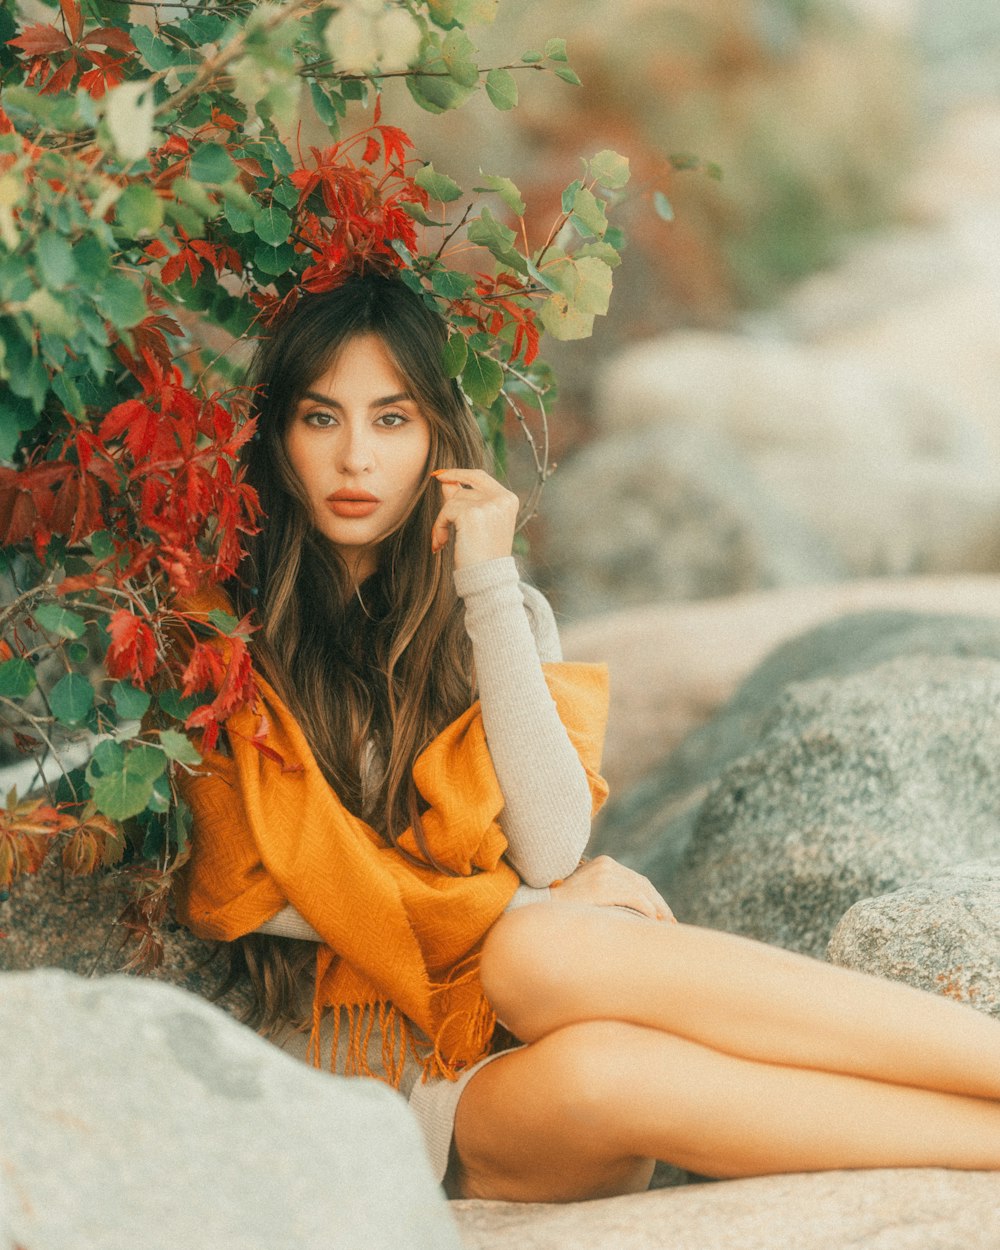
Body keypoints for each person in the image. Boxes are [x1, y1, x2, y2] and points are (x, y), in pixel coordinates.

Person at [175, 271, 1000, 1204]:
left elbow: (553, 842)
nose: (355, 457)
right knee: (556, 979)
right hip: (388, 1083)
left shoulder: (492, 617)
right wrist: (532, 902)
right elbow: (277, 895)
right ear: (280, 435)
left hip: (522, 1004)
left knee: (542, 952)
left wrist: (486, 587)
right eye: (322, 418)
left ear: (438, 441)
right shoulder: (223, 642)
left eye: (392, 420)